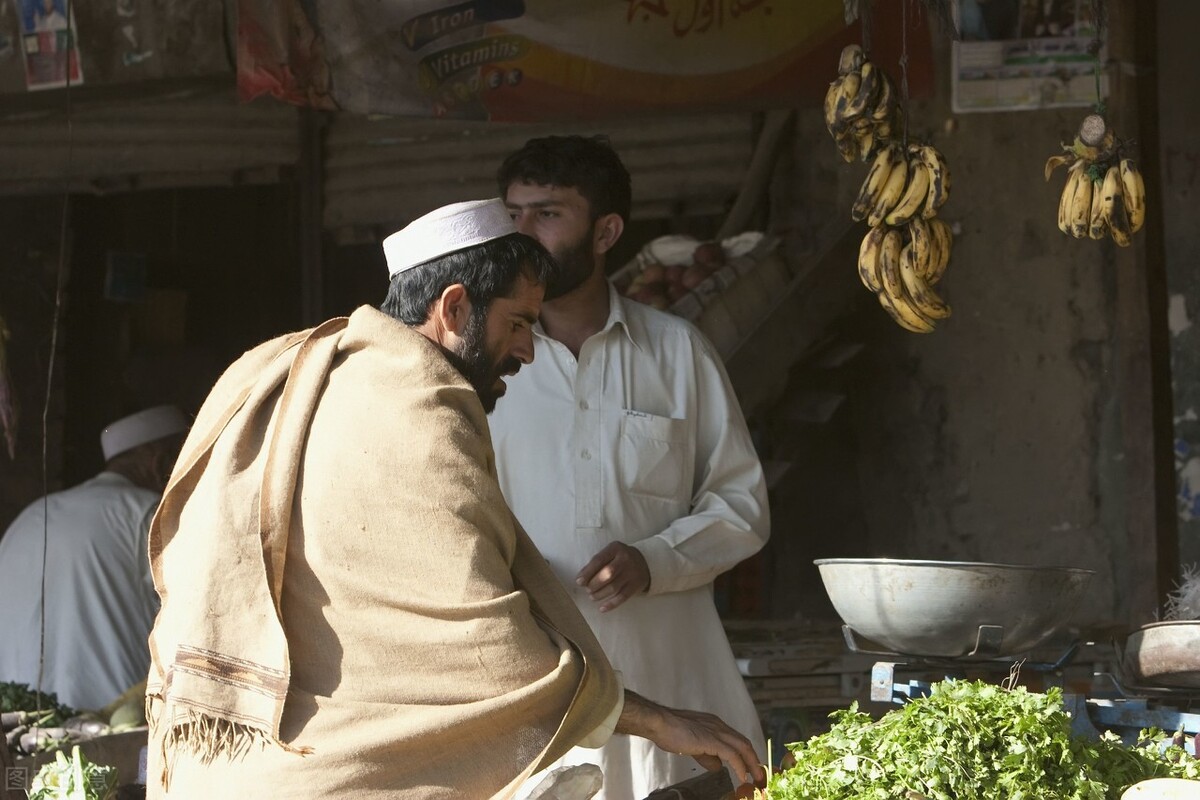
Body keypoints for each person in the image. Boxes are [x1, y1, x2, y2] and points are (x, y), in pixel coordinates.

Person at [143, 199, 764, 799]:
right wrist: (661, 722)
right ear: (455, 307)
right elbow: (490, 648)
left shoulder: (297, 368)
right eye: (518, 323)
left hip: (230, 761)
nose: (526, 348)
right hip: (330, 774)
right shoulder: (421, 407)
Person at [490, 135, 770, 798]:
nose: (523, 234)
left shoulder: (678, 353)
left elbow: (743, 506)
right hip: (537, 693)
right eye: (514, 215)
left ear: (606, 230)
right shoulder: (486, 368)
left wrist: (656, 560)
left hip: (674, 685)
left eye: (548, 214)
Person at [0, 404, 189, 710]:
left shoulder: (31, 516)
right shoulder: (148, 514)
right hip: (112, 729)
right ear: (162, 462)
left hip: (20, 725)